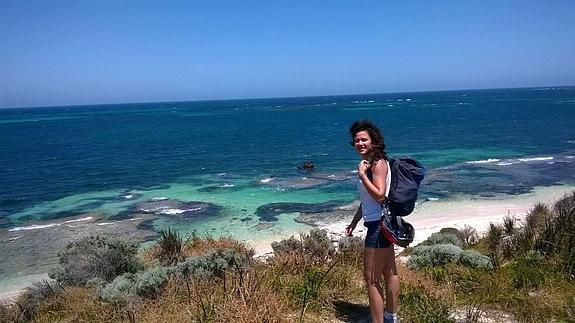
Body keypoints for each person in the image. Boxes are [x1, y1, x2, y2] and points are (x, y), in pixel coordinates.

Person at [345, 120, 399, 323]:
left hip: (379, 227)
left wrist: (362, 175)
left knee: (371, 279)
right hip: (380, 223)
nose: (359, 143)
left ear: (374, 141)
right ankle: (391, 316)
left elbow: (379, 195)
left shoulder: (377, 164)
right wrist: (354, 221)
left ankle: (380, 320)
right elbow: (367, 200)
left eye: (364, 139)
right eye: (356, 140)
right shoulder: (371, 163)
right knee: (389, 271)